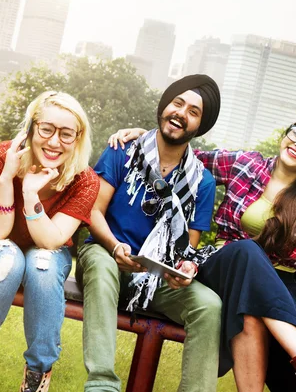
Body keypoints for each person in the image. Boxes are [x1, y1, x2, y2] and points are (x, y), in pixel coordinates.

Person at [109, 116, 296, 392]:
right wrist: (150, 137)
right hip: (224, 268)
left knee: (251, 310)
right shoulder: (245, 164)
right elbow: (188, 158)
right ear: (286, 133)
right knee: (246, 250)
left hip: (281, 288)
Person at [79, 74, 223, 392]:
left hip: (155, 276)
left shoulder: (203, 182)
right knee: (103, 267)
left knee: (209, 304)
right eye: (177, 102)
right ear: (164, 107)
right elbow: (93, 212)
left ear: (199, 126)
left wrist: (184, 269)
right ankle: (102, 384)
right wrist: (116, 246)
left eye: (194, 111)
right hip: (106, 252)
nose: (181, 113)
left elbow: (187, 248)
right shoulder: (123, 150)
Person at [0, 91, 99, 392]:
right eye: (46, 129)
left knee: (41, 266)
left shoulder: (85, 180)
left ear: (78, 138)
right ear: (31, 127)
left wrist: (30, 194)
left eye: (66, 134)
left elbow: (51, 241)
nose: (54, 142)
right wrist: (8, 176)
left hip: (44, 249)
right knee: (8, 259)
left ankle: (37, 378)